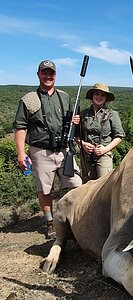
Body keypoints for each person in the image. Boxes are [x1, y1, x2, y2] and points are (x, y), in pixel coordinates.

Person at [13, 60, 82, 239]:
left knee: (76, 184)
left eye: (51, 73)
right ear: (38, 75)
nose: (48, 76)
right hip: (40, 151)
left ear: (55, 76)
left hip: (63, 150)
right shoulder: (29, 99)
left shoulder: (65, 97)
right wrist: (21, 153)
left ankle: (74, 220)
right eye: (44, 73)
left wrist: (75, 122)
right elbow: (20, 127)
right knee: (45, 190)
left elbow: (72, 121)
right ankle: (50, 223)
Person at [76, 83, 125, 182]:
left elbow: (119, 136)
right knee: (87, 186)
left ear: (106, 98)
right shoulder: (83, 114)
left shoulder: (112, 114)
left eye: (103, 95)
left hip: (104, 154)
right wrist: (83, 144)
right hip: (86, 156)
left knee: (104, 185)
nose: (99, 97)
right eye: (97, 94)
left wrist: (105, 149)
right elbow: (76, 135)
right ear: (92, 95)